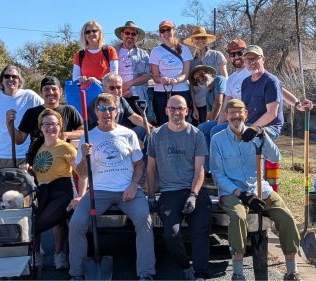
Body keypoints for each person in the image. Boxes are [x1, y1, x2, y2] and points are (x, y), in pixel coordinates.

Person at [209, 99, 301, 281]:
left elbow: (275, 157)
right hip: (232, 192)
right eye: (232, 112)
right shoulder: (217, 140)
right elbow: (218, 175)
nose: (236, 116)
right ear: (226, 116)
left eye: (239, 112)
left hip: (260, 189)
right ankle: (238, 273)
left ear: (246, 114)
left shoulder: (256, 135)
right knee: (239, 217)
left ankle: (292, 271)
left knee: (286, 217)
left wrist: (263, 135)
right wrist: (241, 194)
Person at [68, 94, 156, 280]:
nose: (106, 113)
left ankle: (146, 273)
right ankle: (76, 273)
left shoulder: (128, 134)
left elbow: (139, 165)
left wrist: (133, 185)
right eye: (102, 109)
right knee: (76, 224)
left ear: (117, 111)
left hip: (127, 189)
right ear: (95, 112)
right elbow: (83, 174)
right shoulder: (88, 136)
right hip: (98, 191)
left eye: (110, 109)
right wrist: (84, 156)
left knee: (144, 219)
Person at [6, 76, 85, 269]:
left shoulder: (69, 111)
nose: (51, 93)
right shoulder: (33, 113)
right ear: (41, 93)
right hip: (36, 167)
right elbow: (18, 139)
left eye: (54, 89)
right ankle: (35, 254)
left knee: (57, 217)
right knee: (35, 211)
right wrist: (10, 124)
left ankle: (59, 254)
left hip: (61, 168)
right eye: (46, 90)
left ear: (60, 91)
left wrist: (66, 135)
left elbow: (84, 131)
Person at [146, 95, 211, 281]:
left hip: (194, 190)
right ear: (166, 110)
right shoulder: (156, 135)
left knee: (200, 231)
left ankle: (200, 274)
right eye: (172, 108)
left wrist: (194, 195)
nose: (176, 112)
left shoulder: (196, 135)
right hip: (170, 192)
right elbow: (151, 168)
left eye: (180, 108)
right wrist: (151, 196)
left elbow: (200, 168)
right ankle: (185, 265)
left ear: (186, 111)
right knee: (171, 234)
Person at [31, 109, 86, 269]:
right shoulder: (39, 149)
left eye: (54, 124)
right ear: (41, 128)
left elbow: (82, 174)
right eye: (46, 124)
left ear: (59, 127)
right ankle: (36, 256)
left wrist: (80, 196)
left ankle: (59, 254)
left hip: (62, 191)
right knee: (31, 219)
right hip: (43, 192)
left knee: (44, 223)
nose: (50, 127)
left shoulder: (65, 148)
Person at [0, 65, 43, 168]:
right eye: (7, 76)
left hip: (26, 156)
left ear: (19, 80)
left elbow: (47, 111)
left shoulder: (30, 96)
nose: (11, 79)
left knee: (26, 184)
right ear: (2, 80)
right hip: (2, 156)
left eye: (14, 77)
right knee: (3, 184)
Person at [149, 20, 193, 125]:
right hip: (161, 93)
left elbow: (186, 74)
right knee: (163, 123)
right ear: (160, 34)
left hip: (181, 90)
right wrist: (162, 79)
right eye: (162, 30)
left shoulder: (185, 49)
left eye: (168, 29)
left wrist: (176, 80)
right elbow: (155, 76)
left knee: (181, 123)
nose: (166, 32)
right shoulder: (155, 51)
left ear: (174, 30)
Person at [87, 73, 152, 142]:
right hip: (102, 138)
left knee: (144, 130)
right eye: (112, 88)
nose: (116, 91)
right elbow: (106, 127)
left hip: (119, 133)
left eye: (119, 87)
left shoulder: (120, 99)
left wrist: (152, 129)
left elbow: (134, 117)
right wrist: (134, 140)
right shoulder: (97, 103)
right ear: (104, 88)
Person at [183, 26, 228, 124]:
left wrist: (224, 104)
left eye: (203, 38)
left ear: (207, 40)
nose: (200, 40)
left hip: (217, 102)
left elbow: (225, 79)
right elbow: (191, 86)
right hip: (200, 104)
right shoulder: (190, 61)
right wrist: (194, 108)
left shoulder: (217, 55)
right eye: (197, 38)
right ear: (192, 40)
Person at [190, 65, 226, 172]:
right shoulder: (207, 93)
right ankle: (206, 168)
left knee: (206, 129)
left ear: (210, 74)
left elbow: (218, 103)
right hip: (218, 120)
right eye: (197, 79)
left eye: (202, 75)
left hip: (229, 118)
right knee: (200, 130)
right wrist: (207, 122)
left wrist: (211, 122)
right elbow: (208, 113)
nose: (200, 79)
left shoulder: (220, 80)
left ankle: (210, 167)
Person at [114, 21, 151, 115]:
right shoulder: (112, 52)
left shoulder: (144, 54)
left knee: (141, 128)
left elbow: (147, 76)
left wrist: (129, 84)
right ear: (122, 34)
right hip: (118, 98)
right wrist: (123, 91)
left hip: (139, 97)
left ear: (137, 36)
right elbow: (108, 75)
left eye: (133, 34)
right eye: (127, 33)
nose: (130, 36)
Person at [72, 20, 118, 88]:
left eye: (94, 31)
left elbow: (114, 76)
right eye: (87, 32)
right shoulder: (79, 55)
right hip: (85, 96)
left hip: (105, 95)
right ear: (84, 35)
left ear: (99, 33)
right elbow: (75, 79)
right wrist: (80, 79)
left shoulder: (109, 50)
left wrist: (98, 82)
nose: (91, 34)